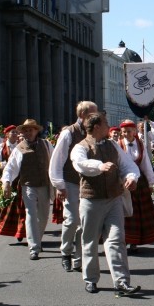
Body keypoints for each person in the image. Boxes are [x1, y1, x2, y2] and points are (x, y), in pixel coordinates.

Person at [70, 112, 141, 296]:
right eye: (106, 123)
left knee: (117, 239)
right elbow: (80, 164)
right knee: (90, 240)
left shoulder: (112, 145)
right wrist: (99, 166)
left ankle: (122, 282)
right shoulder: (80, 147)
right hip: (91, 200)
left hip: (114, 199)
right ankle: (91, 279)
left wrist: (131, 177)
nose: (109, 125)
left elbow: (128, 165)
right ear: (96, 127)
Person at [49, 101, 98, 272]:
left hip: (88, 183)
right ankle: (65, 251)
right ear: (83, 115)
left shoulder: (95, 133)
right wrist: (59, 185)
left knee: (84, 223)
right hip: (70, 182)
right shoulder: (68, 133)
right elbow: (57, 160)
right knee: (72, 220)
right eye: (93, 114)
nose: (97, 117)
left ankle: (78, 258)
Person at [1, 119, 54, 260]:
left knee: (43, 217)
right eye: (26, 130)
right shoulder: (19, 148)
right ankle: (34, 248)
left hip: (44, 185)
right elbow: (11, 167)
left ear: (37, 131)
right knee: (30, 214)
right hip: (28, 185)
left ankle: (37, 239)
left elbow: (55, 164)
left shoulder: (47, 145)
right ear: (23, 132)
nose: (28, 132)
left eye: (31, 129)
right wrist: (6, 182)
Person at [118, 120, 154, 253]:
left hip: (139, 182)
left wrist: (151, 183)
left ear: (135, 132)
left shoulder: (140, 144)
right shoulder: (118, 145)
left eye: (129, 131)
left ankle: (134, 242)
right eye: (124, 131)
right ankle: (123, 240)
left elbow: (146, 164)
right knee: (124, 211)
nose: (126, 133)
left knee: (138, 212)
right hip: (123, 180)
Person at [0, 125, 26, 242]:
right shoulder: (1, 147)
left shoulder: (21, 146)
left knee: (19, 206)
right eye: (13, 132)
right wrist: (2, 165)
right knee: (6, 205)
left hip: (19, 180)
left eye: (16, 132)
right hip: (5, 180)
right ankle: (7, 226)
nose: (15, 134)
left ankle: (20, 230)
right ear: (7, 134)